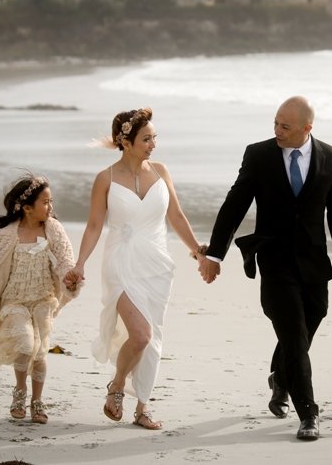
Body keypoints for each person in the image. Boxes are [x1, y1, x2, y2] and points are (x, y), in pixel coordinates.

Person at [199, 95, 332, 441]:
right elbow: (235, 203)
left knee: (312, 319)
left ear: (307, 128)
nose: (277, 130)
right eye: (275, 123)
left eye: (285, 126)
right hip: (275, 262)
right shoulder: (258, 154)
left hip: (315, 263)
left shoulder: (331, 157)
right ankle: (309, 414)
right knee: (294, 337)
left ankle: (280, 378)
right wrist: (214, 254)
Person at [63, 107, 205, 430]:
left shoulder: (161, 171)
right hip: (121, 263)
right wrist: (80, 263)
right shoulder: (105, 179)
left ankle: (142, 407)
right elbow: (94, 225)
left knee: (154, 338)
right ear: (125, 142)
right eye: (146, 139)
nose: (153, 144)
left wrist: (198, 252)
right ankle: (117, 386)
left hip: (156, 265)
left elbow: (177, 217)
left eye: (155, 137)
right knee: (141, 334)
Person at [0, 174, 81, 424]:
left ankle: (37, 401)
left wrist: (70, 279)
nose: (50, 207)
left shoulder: (53, 230)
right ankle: (20, 391)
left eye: (51, 201)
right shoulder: (5, 234)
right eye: (45, 202)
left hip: (43, 300)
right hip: (13, 302)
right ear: (27, 207)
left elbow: (65, 261)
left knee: (39, 352)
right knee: (25, 345)